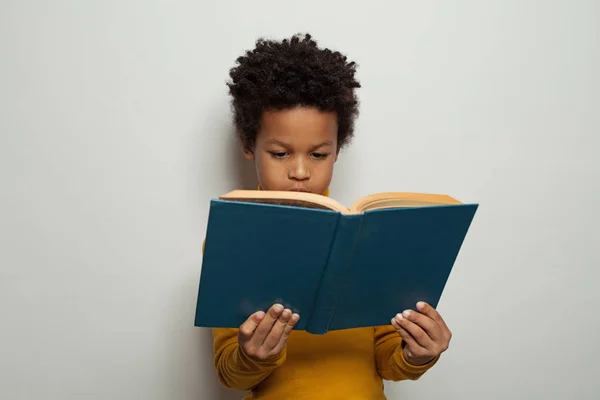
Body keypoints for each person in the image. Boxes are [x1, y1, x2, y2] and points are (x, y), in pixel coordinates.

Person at [210, 33, 452, 399]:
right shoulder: (233, 238)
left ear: (338, 150)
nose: (301, 172)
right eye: (280, 154)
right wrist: (251, 355)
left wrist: (417, 352)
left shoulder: (366, 236)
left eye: (319, 155)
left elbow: (387, 357)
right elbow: (230, 373)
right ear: (248, 145)